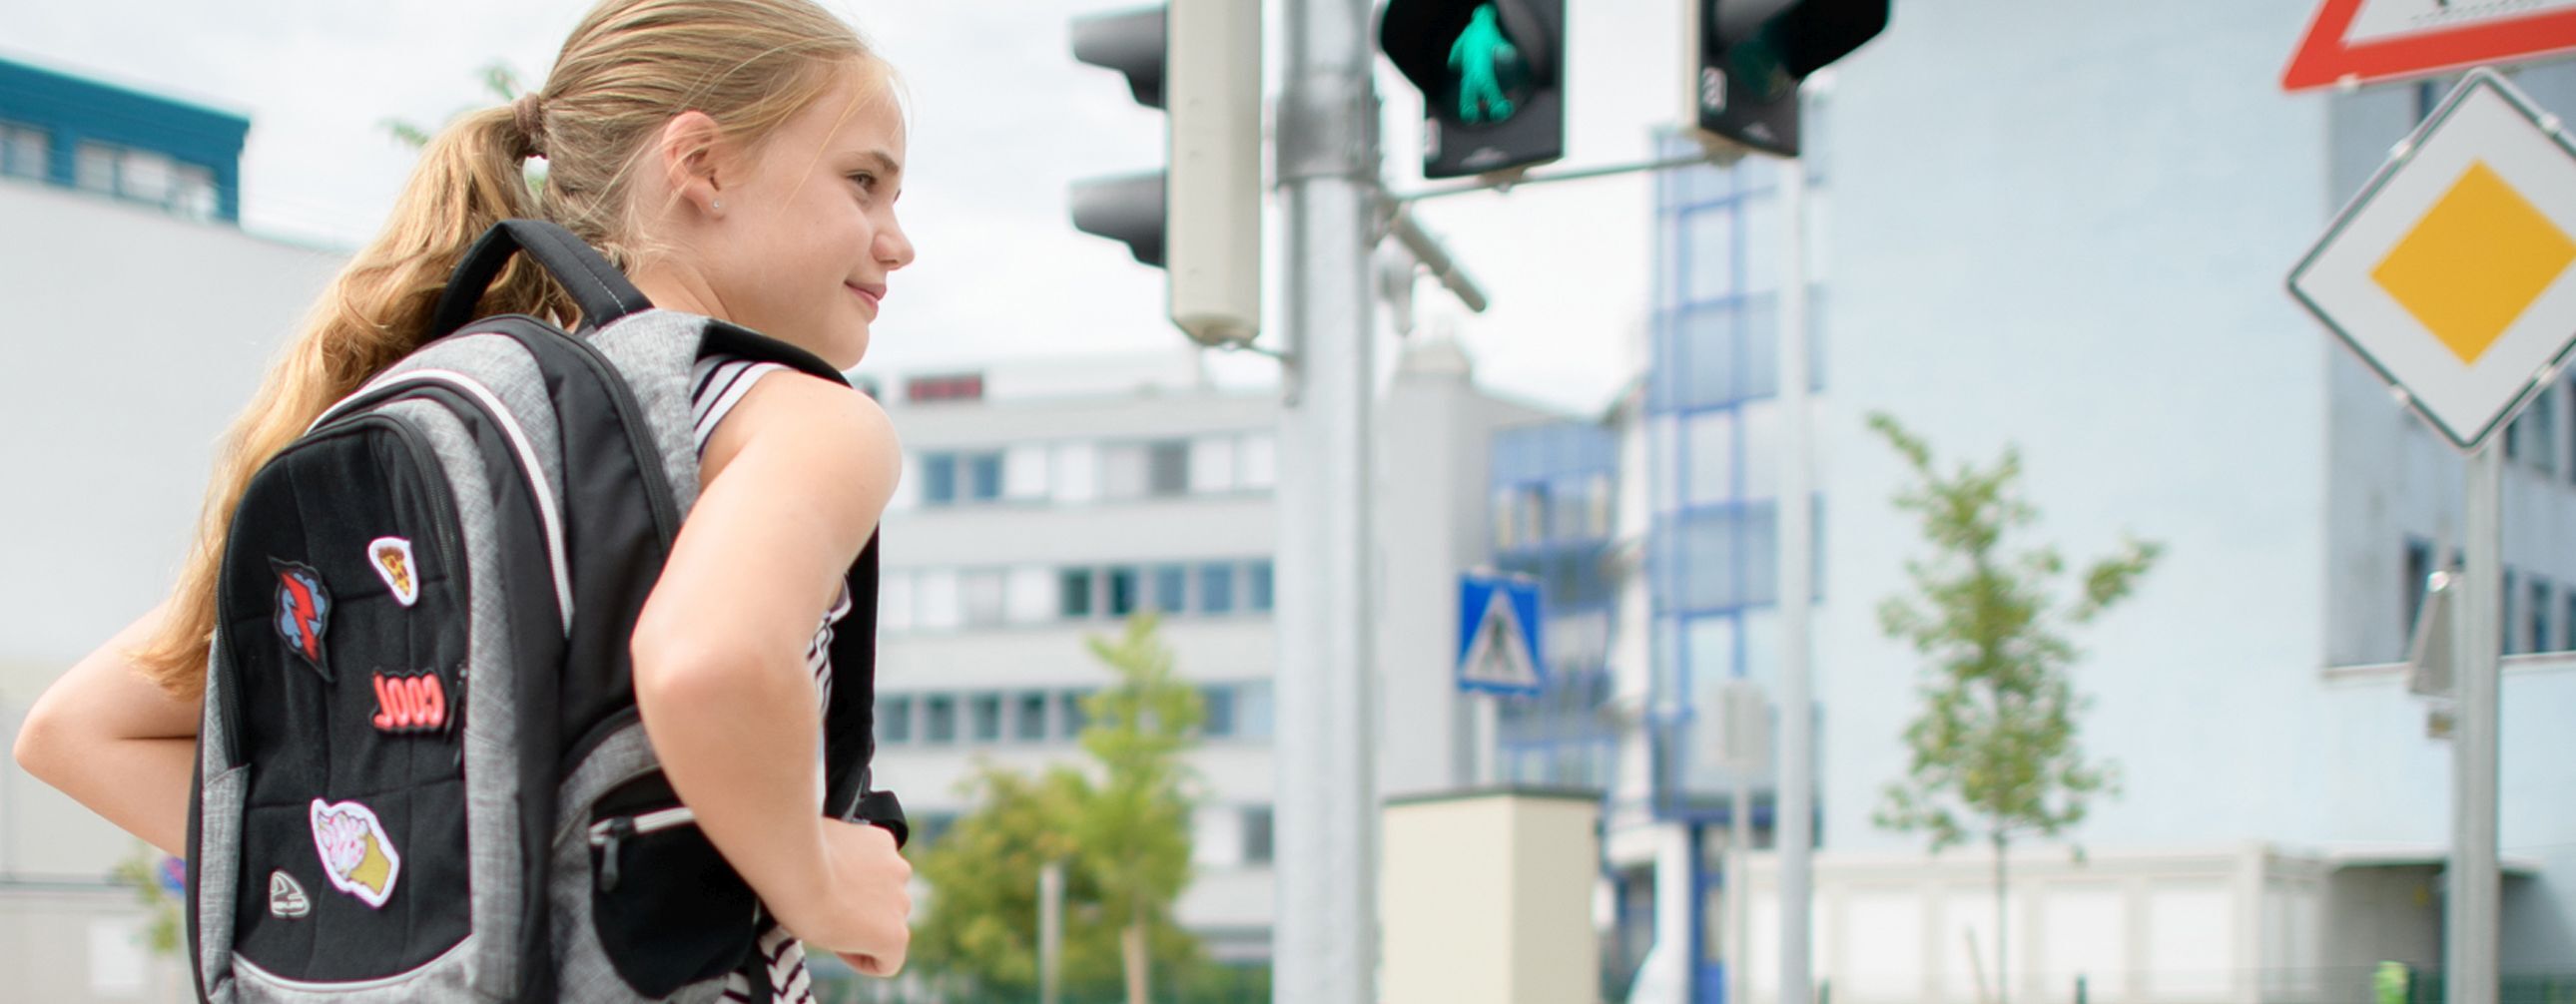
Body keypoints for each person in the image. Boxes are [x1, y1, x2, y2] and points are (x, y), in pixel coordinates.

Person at [10, 0, 918, 992]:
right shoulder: (791, 418)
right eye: (863, 182)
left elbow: (80, 731)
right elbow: (708, 661)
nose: (896, 241)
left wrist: (436, 865)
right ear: (700, 165)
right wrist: (819, 876)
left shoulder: (481, 427)